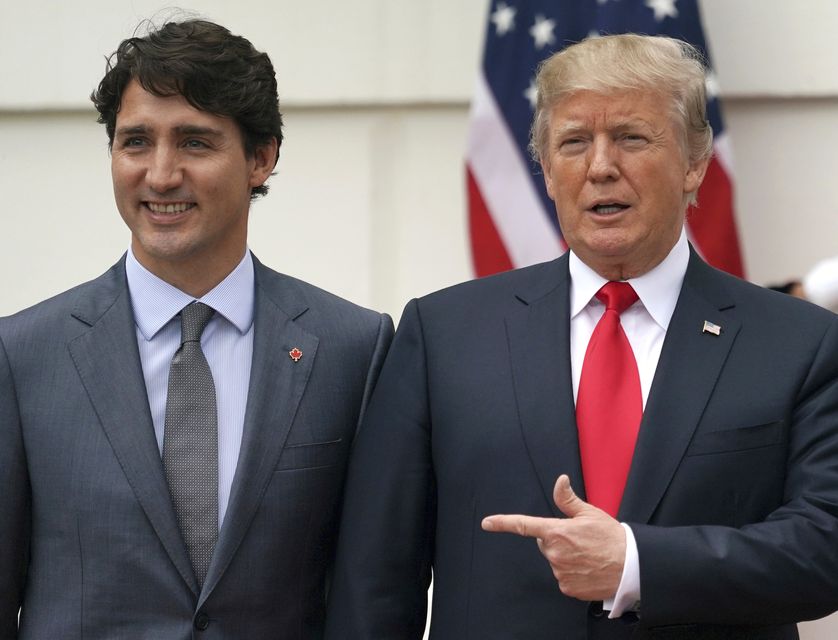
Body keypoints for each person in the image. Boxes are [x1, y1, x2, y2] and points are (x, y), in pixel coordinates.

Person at [324, 34, 838, 639]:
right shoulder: (442, 336)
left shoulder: (799, 343)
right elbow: (375, 581)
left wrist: (637, 564)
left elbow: (822, 548)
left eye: (630, 137)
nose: (600, 166)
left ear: (694, 161)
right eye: (573, 142)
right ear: (544, 169)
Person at [0, 18, 392, 639]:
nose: (160, 175)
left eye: (194, 143)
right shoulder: (22, 357)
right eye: (135, 142)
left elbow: (371, 597)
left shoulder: (354, 349)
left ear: (260, 159)